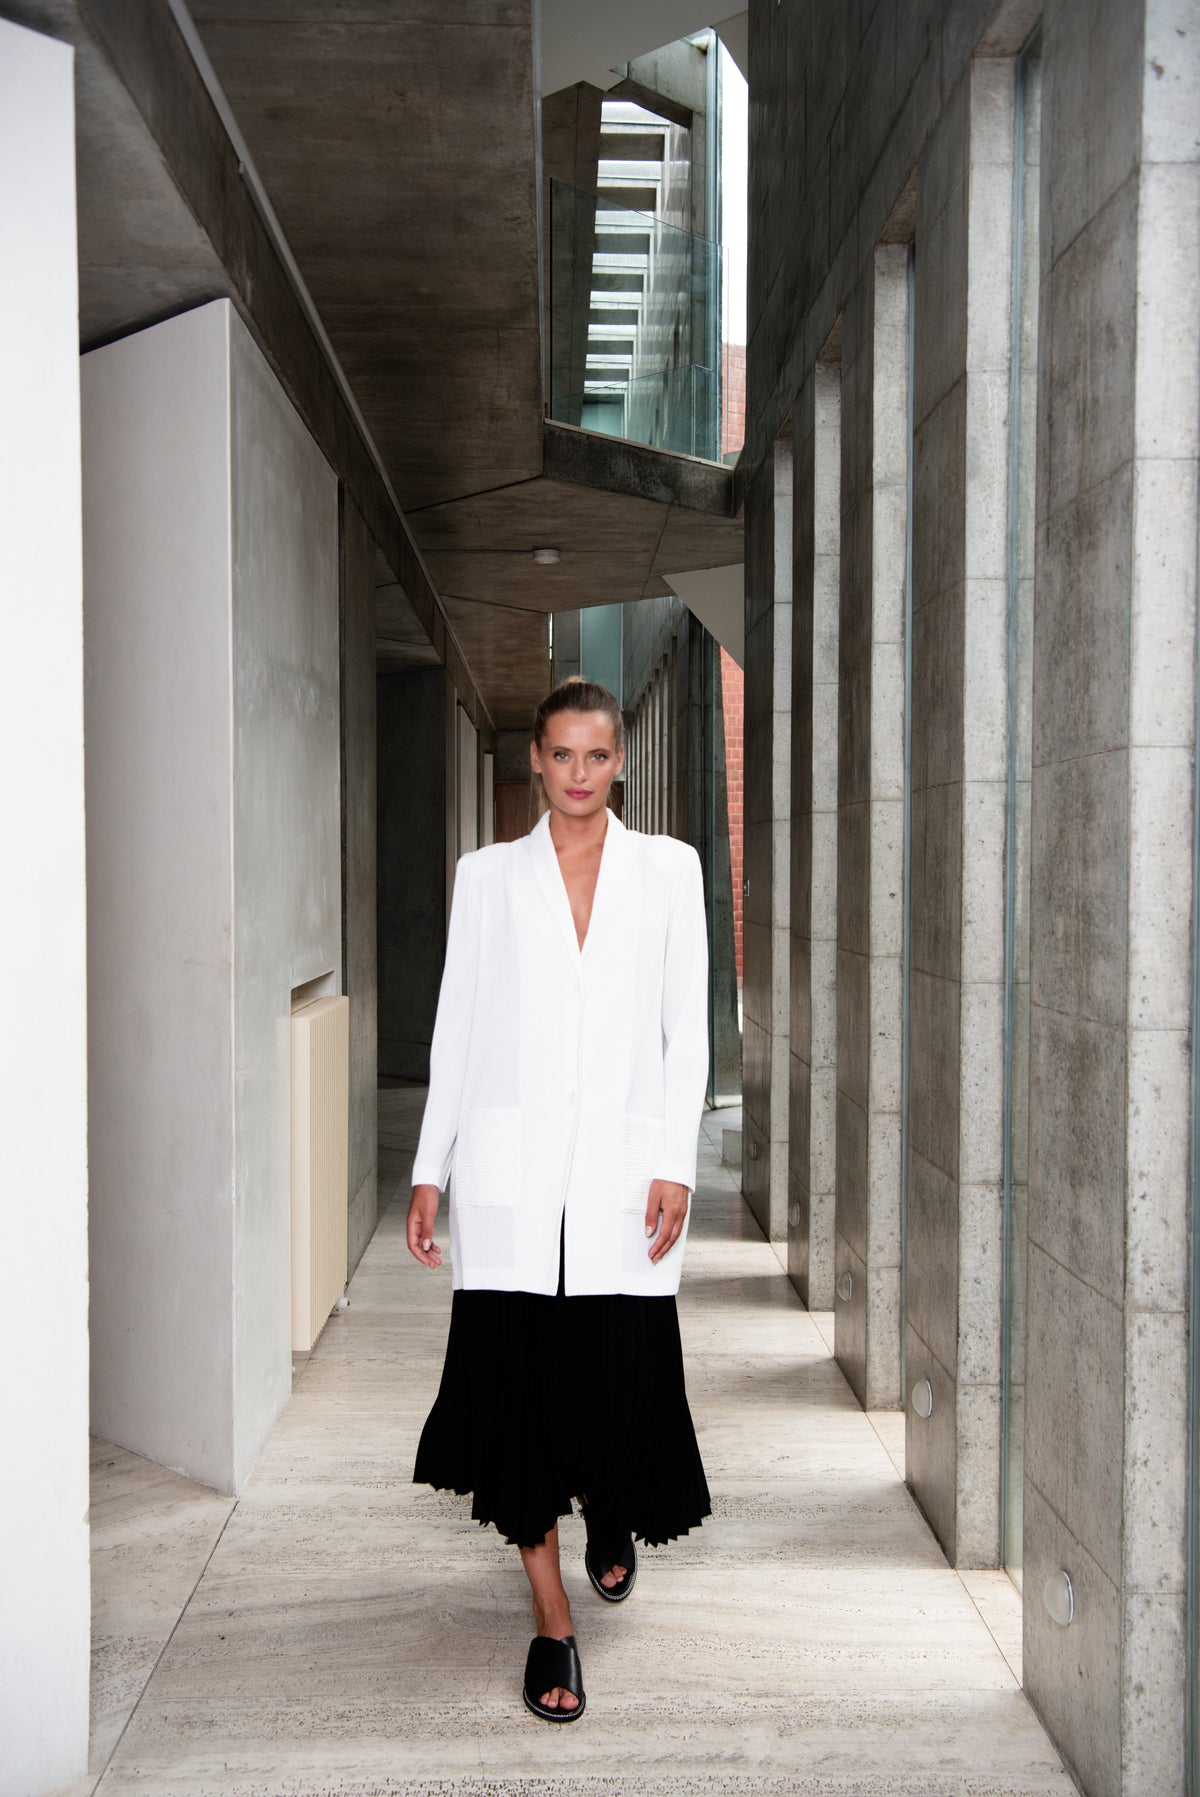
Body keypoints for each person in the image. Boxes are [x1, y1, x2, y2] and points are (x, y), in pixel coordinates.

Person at [407, 674, 711, 1723]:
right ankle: (551, 1620)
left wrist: (675, 1161)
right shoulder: (487, 879)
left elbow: (686, 1031)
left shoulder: (670, 870)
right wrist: (430, 1166)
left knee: (618, 1392)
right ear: (535, 759)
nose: (579, 774)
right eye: (562, 754)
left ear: (619, 760)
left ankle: (610, 1510)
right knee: (519, 1407)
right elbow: (457, 1029)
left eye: (598, 755)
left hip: (623, 1182)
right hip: (513, 1184)